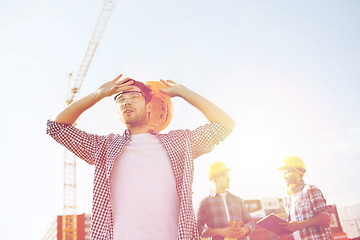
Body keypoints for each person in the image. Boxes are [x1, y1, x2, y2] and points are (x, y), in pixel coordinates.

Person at [46, 74, 235, 240]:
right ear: (118, 112)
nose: (127, 101)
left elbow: (225, 124)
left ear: (149, 105)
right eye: (121, 99)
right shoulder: (104, 148)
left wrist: (184, 92)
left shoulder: (179, 143)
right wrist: (98, 94)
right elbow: (57, 128)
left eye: (135, 96)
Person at [197, 162, 255, 240]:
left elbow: (250, 221)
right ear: (214, 178)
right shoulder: (205, 203)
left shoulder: (238, 200)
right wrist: (219, 231)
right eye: (224, 175)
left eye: (228, 175)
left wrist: (244, 230)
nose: (228, 178)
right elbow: (198, 228)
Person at [278, 156, 332, 240]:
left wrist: (300, 225)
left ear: (297, 172)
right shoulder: (288, 199)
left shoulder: (311, 190)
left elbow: (325, 217)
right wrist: (287, 236)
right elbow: (293, 228)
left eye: (286, 172)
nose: (284, 176)